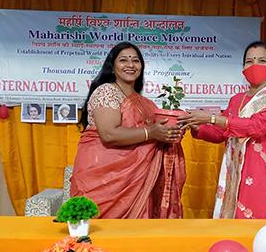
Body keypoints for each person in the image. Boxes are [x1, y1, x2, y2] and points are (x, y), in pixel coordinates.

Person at [178, 41, 266, 219]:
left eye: (261, 61)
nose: (255, 65)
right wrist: (195, 125)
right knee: (238, 234)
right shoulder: (237, 99)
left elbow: (255, 127)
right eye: (249, 61)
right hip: (237, 178)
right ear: (243, 67)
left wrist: (211, 118)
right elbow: (222, 133)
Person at [69, 41, 186, 218]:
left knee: (134, 235)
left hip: (135, 181)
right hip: (103, 177)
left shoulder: (145, 103)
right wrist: (151, 133)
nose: (130, 65)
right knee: (96, 234)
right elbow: (109, 134)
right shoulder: (106, 92)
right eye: (123, 60)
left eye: (135, 60)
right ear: (113, 66)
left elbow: (158, 132)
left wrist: (171, 131)